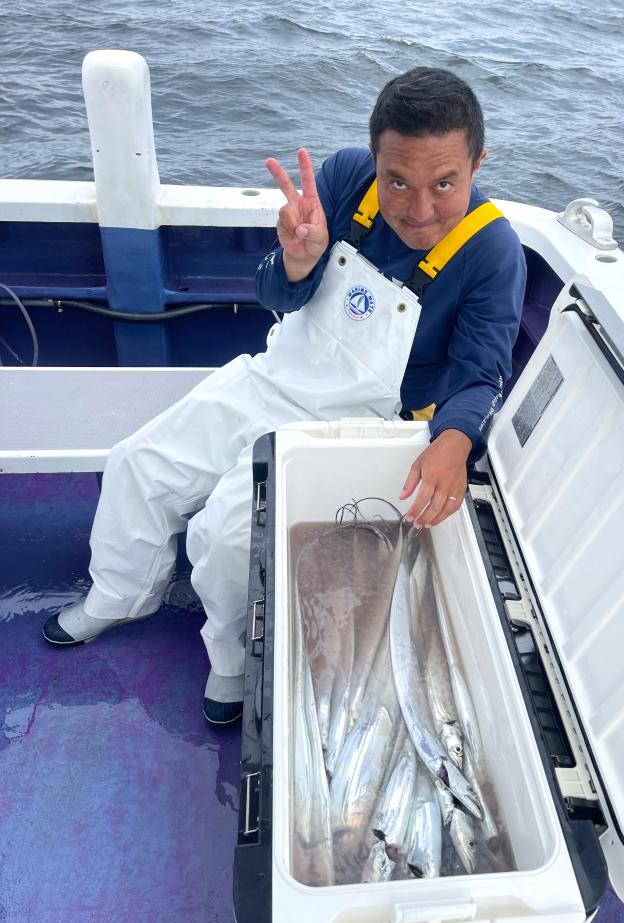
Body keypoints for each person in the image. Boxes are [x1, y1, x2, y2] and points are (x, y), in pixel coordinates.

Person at [42, 67, 526, 725]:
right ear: (374, 159)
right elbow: (274, 293)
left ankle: (234, 657)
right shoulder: (345, 177)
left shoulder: (493, 252)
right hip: (280, 374)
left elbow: (481, 376)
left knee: (225, 534)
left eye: (445, 183)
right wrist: (296, 261)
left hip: (364, 419)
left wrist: (455, 440)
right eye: (397, 182)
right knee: (138, 463)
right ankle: (119, 594)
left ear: (478, 163)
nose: (420, 209)